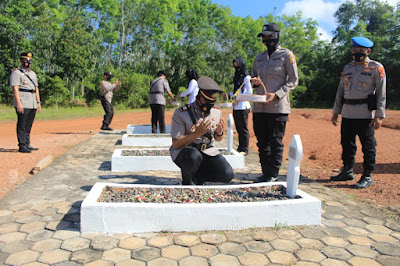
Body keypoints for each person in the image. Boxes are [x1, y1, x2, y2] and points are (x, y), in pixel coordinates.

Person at [331, 37, 386, 189]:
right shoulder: (348, 68)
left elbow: (382, 93)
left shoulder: (376, 68)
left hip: (365, 114)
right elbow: (340, 91)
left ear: (368, 51)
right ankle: (347, 171)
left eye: (361, 51)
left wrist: (379, 115)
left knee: (368, 146)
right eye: (355, 50)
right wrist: (336, 111)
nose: (357, 53)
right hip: (347, 113)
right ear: (351, 51)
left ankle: (367, 175)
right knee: (346, 144)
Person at [252, 23, 299, 182]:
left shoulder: (287, 55)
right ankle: (265, 173)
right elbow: (251, 80)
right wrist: (254, 82)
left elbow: (293, 80)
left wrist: (277, 94)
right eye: (264, 37)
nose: (266, 39)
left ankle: (273, 174)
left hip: (278, 107)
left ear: (277, 36)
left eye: (269, 36)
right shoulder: (258, 58)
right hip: (259, 106)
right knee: (262, 142)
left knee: (275, 142)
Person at [169, 76, 234, 185]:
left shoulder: (216, 111)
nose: (208, 105)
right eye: (206, 101)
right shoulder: (181, 113)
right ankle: (187, 181)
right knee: (194, 156)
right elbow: (176, 144)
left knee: (227, 174)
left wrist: (219, 132)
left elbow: (218, 138)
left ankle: (199, 178)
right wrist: (196, 134)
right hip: (186, 153)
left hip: (207, 151)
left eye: (211, 102)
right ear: (198, 97)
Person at [10, 52, 41, 153]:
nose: (27, 62)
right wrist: (18, 103)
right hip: (23, 101)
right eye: (25, 60)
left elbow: (36, 89)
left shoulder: (32, 74)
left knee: (29, 124)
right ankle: (22, 145)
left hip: (32, 102)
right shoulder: (16, 73)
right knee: (22, 124)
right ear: (21, 61)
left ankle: (27, 143)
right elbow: (15, 89)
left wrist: (38, 102)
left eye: (29, 60)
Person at [230, 57, 252, 155]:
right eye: (235, 66)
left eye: (238, 65)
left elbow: (249, 92)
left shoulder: (246, 77)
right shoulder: (236, 77)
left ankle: (245, 149)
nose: (236, 68)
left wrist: (238, 98)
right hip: (236, 106)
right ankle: (240, 146)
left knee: (243, 128)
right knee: (238, 128)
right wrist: (230, 95)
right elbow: (235, 91)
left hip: (243, 106)